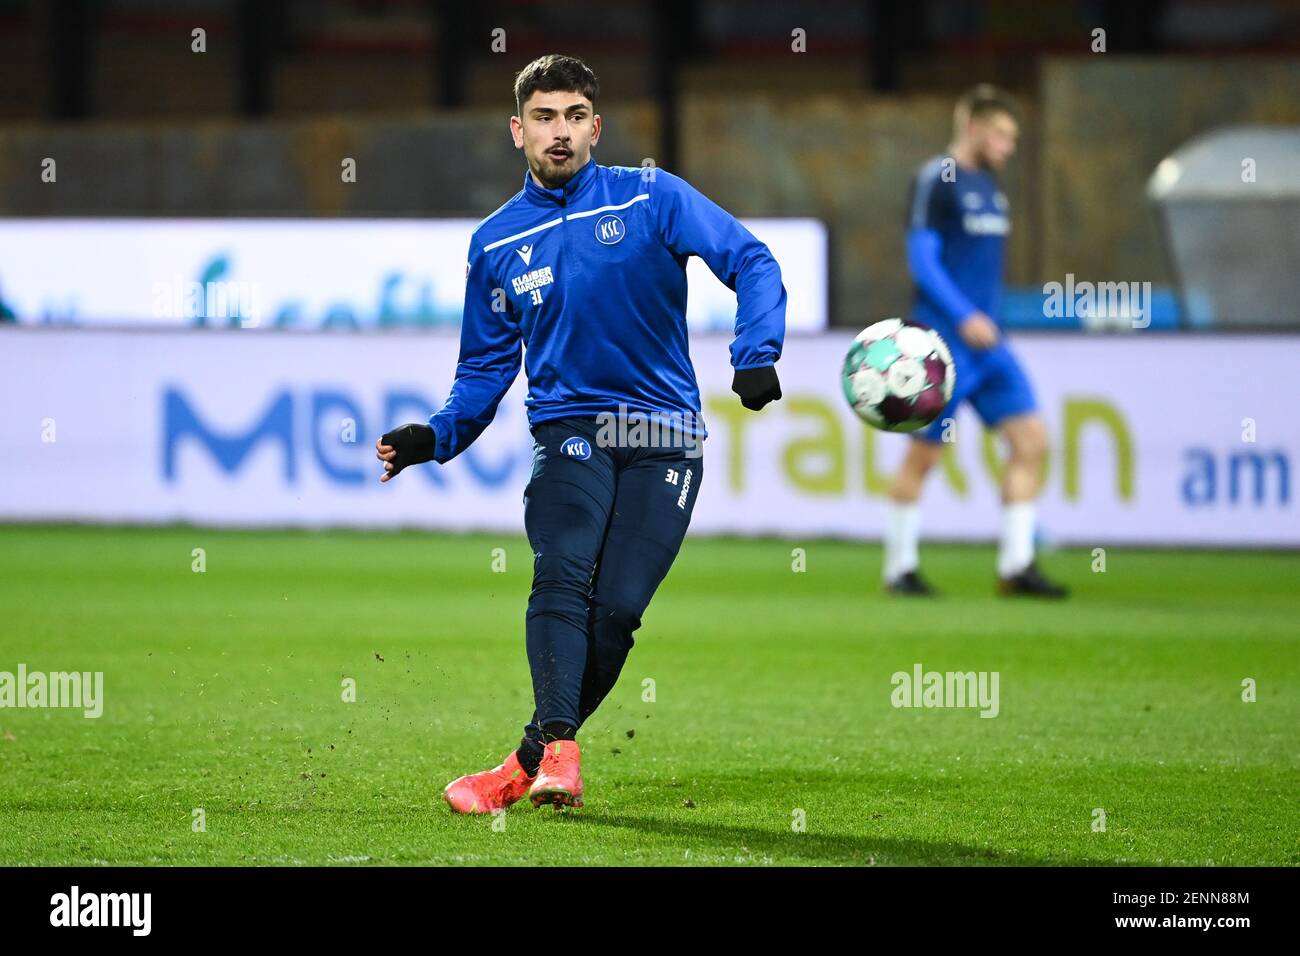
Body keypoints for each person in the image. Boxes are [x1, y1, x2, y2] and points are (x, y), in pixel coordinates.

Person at [376, 54, 786, 812]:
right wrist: (438, 435)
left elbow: (752, 260)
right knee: (562, 569)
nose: (558, 133)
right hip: (571, 429)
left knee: (620, 610)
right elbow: (483, 369)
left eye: (572, 117)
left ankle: (523, 762)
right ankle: (562, 751)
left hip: (665, 436)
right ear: (516, 130)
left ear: (596, 127)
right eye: (543, 117)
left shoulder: (652, 196)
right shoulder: (495, 244)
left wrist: (755, 353)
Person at [883, 84, 1067, 598]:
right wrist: (963, 316)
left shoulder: (990, 186)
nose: (1009, 146)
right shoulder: (936, 179)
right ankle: (900, 569)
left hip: (992, 344)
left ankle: (1017, 565)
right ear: (973, 128)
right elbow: (922, 259)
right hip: (943, 345)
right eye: (1002, 135)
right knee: (925, 458)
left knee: (1031, 442)